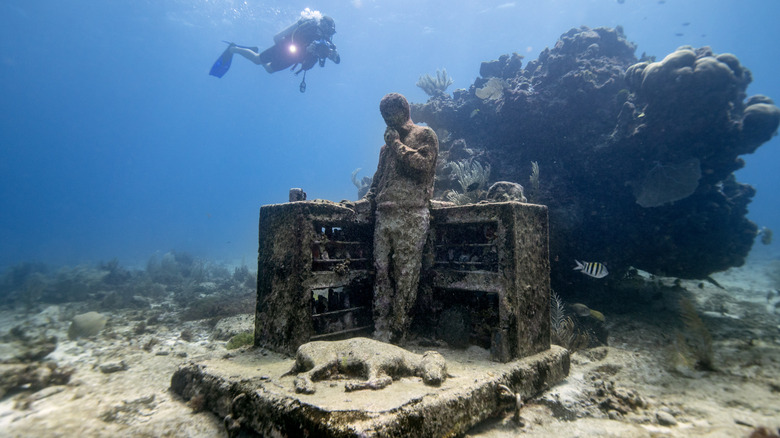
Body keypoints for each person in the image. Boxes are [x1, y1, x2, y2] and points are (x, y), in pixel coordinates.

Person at [356, 93, 439, 343]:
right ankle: (380, 328)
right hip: (384, 214)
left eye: (390, 114)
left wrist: (396, 145)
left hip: (411, 212)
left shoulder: (424, 135)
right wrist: (365, 201)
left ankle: (399, 332)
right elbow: (378, 179)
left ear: (404, 110)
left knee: (406, 274)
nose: (387, 120)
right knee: (380, 272)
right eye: (383, 115)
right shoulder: (385, 149)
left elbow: (424, 165)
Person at [209, 8, 340, 92]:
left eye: (330, 31)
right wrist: (306, 47)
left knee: (269, 70)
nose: (326, 32)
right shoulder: (309, 27)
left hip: (293, 58)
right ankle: (233, 49)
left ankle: (251, 51)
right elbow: (293, 37)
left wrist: (329, 55)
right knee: (257, 60)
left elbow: (307, 66)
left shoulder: (327, 44)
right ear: (321, 23)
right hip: (285, 48)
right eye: (326, 27)